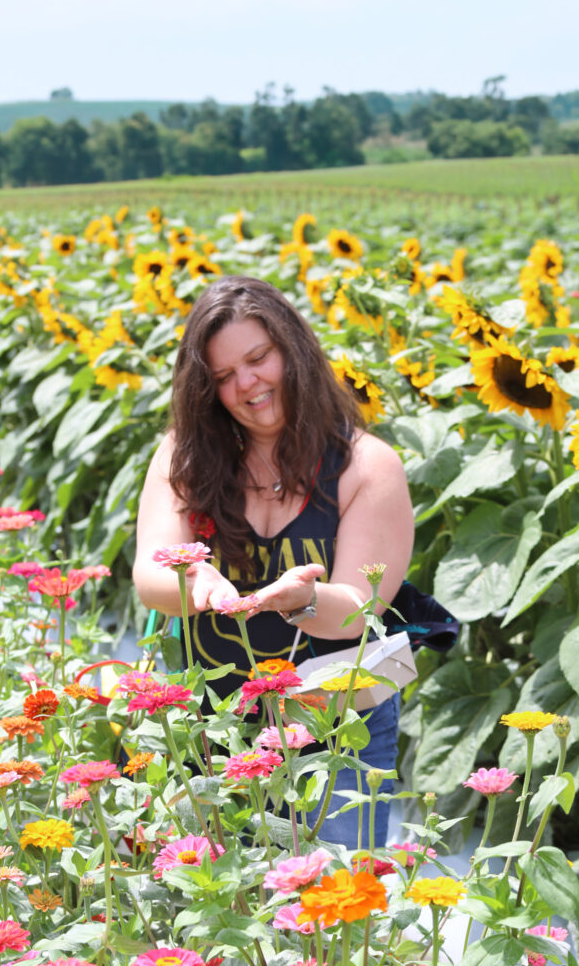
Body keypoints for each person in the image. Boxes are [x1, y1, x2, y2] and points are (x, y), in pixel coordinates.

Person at [132, 274, 414, 847]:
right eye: (224, 377)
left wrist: (303, 598)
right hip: (208, 724)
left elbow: (361, 610)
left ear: (292, 349)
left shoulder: (367, 468)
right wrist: (198, 581)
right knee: (216, 911)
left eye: (259, 359)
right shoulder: (183, 456)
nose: (247, 384)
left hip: (334, 730)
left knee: (330, 911)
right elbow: (150, 573)